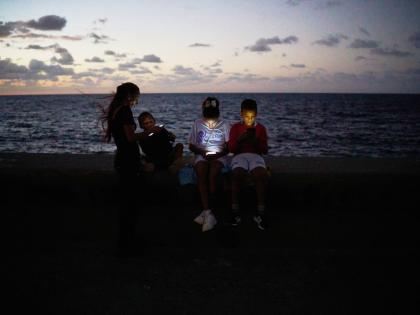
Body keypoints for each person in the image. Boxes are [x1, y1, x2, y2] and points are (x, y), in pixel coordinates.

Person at [101, 82, 145, 257]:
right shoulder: (125, 111)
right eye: (136, 96)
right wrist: (150, 132)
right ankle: (127, 243)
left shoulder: (115, 110)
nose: (137, 99)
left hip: (122, 159)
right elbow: (131, 137)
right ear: (130, 96)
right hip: (128, 161)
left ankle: (125, 241)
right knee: (130, 202)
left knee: (126, 202)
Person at [189, 96, 230, 232]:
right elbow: (191, 145)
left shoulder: (224, 124)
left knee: (213, 174)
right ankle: (207, 211)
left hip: (219, 156)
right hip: (202, 155)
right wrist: (202, 152)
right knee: (201, 170)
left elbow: (229, 147)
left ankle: (209, 209)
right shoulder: (197, 123)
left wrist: (217, 155)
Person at [228, 98, 269, 230]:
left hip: (256, 156)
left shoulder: (261, 128)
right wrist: (240, 140)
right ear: (241, 114)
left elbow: (264, 150)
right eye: (246, 116)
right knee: (237, 174)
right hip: (239, 155)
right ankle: (234, 211)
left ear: (256, 114)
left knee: (260, 174)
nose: (249, 119)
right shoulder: (235, 127)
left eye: (252, 116)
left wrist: (255, 141)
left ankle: (261, 212)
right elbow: (232, 149)